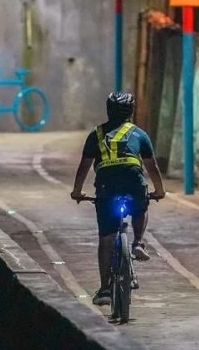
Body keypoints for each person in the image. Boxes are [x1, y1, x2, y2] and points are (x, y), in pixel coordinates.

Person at [71, 92, 166, 307]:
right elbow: (152, 167)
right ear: (131, 112)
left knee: (106, 237)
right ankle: (137, 243)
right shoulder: (139, 134)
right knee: (141, 205)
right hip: (132, 179)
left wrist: (77, 191)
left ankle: (105, 290)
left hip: (106, 184)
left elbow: (83, 167)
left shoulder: (95, 134)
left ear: (108, 110)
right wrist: (159, 191)